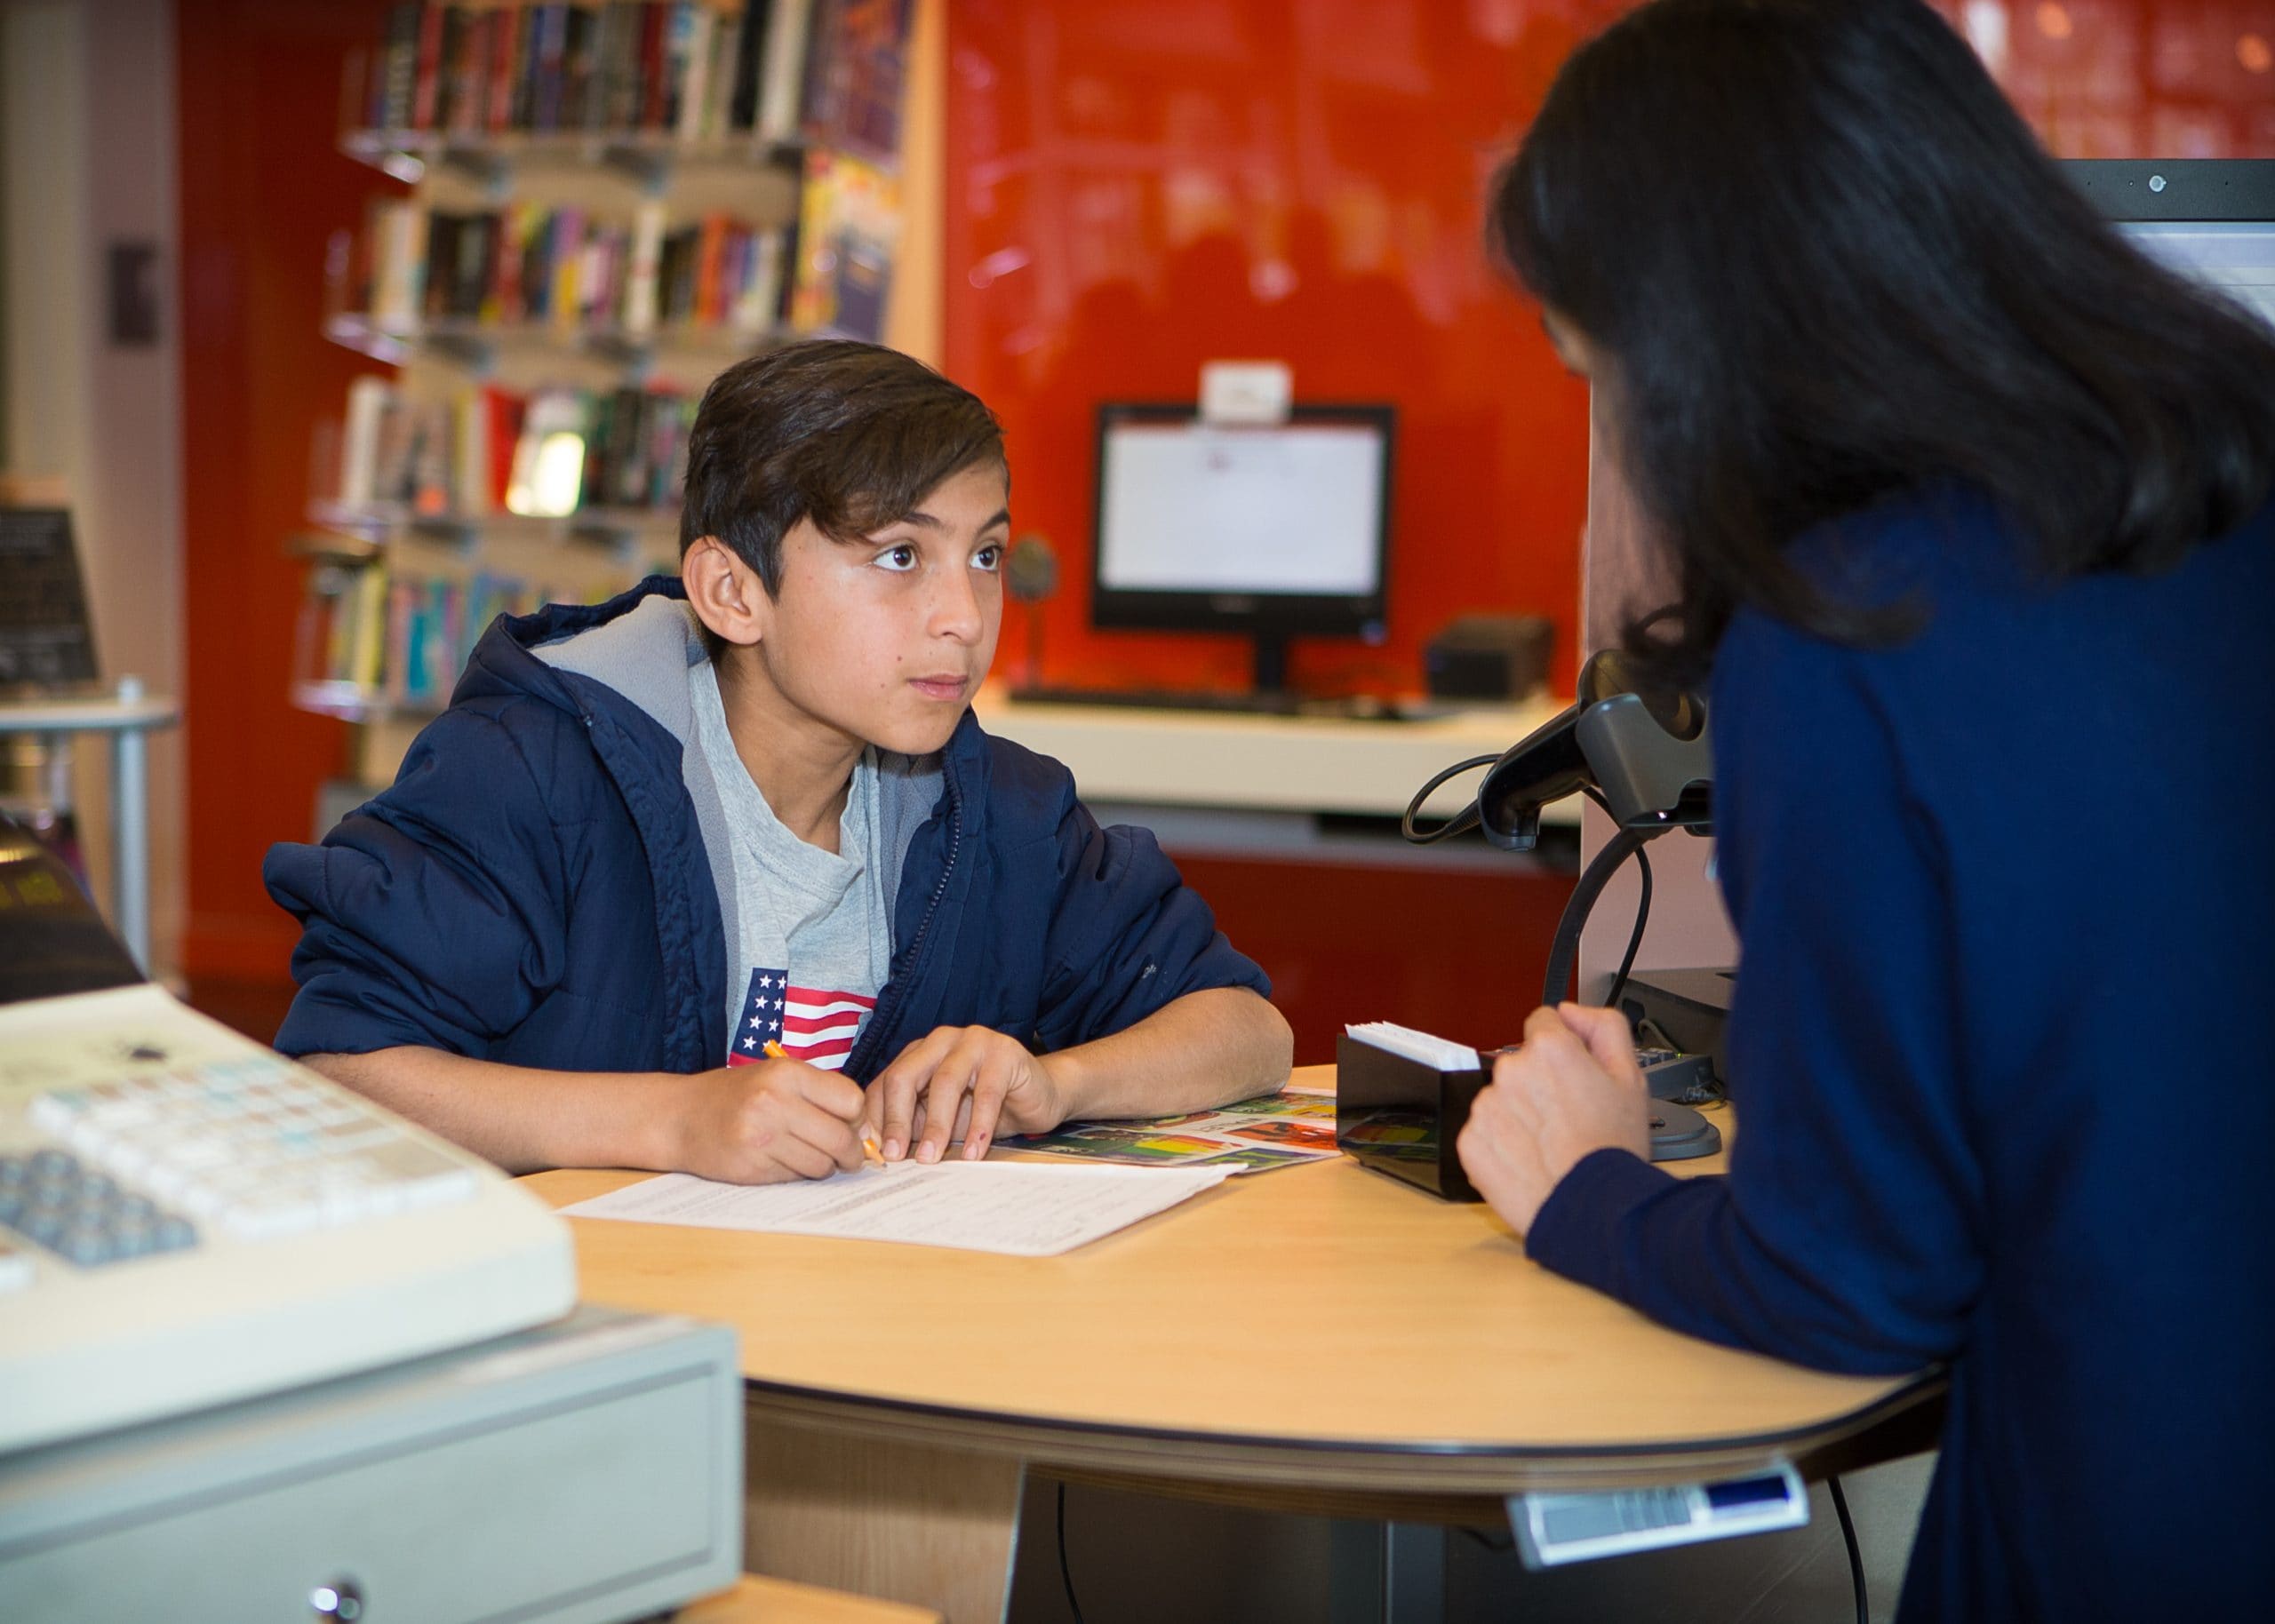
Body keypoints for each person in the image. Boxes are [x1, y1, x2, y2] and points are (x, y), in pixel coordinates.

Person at [1452, 1, 2275, 1619]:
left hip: (2143, 1525)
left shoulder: (1854, 631)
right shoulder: (2225, 485)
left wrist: (1586, 1187)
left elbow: (1851, 1281)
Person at [265, 340, 1292, 1184]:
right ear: (731, 592)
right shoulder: (534, 769)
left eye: (984, 555)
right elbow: (340, 1073)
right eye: (899, 556)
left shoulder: (1003, 810)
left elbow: (1248, 1030)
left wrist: (1055, 1081)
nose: (962, 617)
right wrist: (670, 1123)